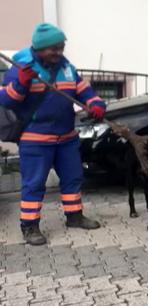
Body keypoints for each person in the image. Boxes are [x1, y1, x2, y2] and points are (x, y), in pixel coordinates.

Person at [0, 23, 106, 245]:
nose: (59, 52)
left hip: (66, 137)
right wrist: (21, 83)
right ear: (39, 48)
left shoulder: (67, 68)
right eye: (54, 48)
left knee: (72, 178)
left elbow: (85, 91)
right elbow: (6, 100)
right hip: (35, 139)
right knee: (34, 183)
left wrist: (96, 104)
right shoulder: (21, 67)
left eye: (61, 47)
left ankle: (74, 216)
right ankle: (29, 226)